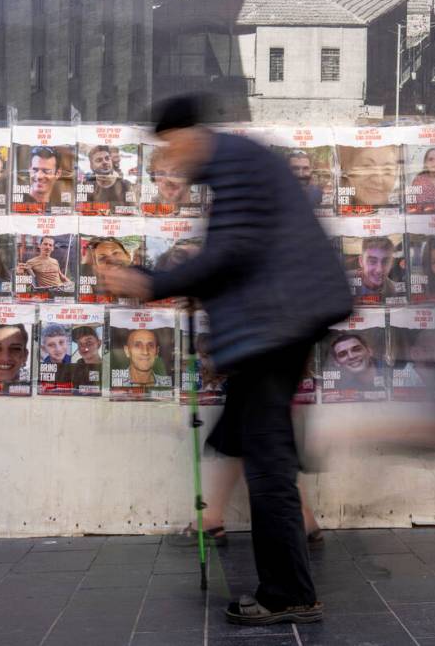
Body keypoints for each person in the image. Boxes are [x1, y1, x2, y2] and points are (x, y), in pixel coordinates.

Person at [100, 95, 352, 626]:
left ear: (188, 134)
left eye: (170, 147)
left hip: (276, 328)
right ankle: (271, 549)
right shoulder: (239, 162)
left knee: (267, 462)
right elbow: (245, 253)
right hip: (278, 324)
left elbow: (233, 250)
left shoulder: (235, 162)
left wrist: (152, 282)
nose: (171, 161)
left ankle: (289, 593)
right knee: (246, 437)